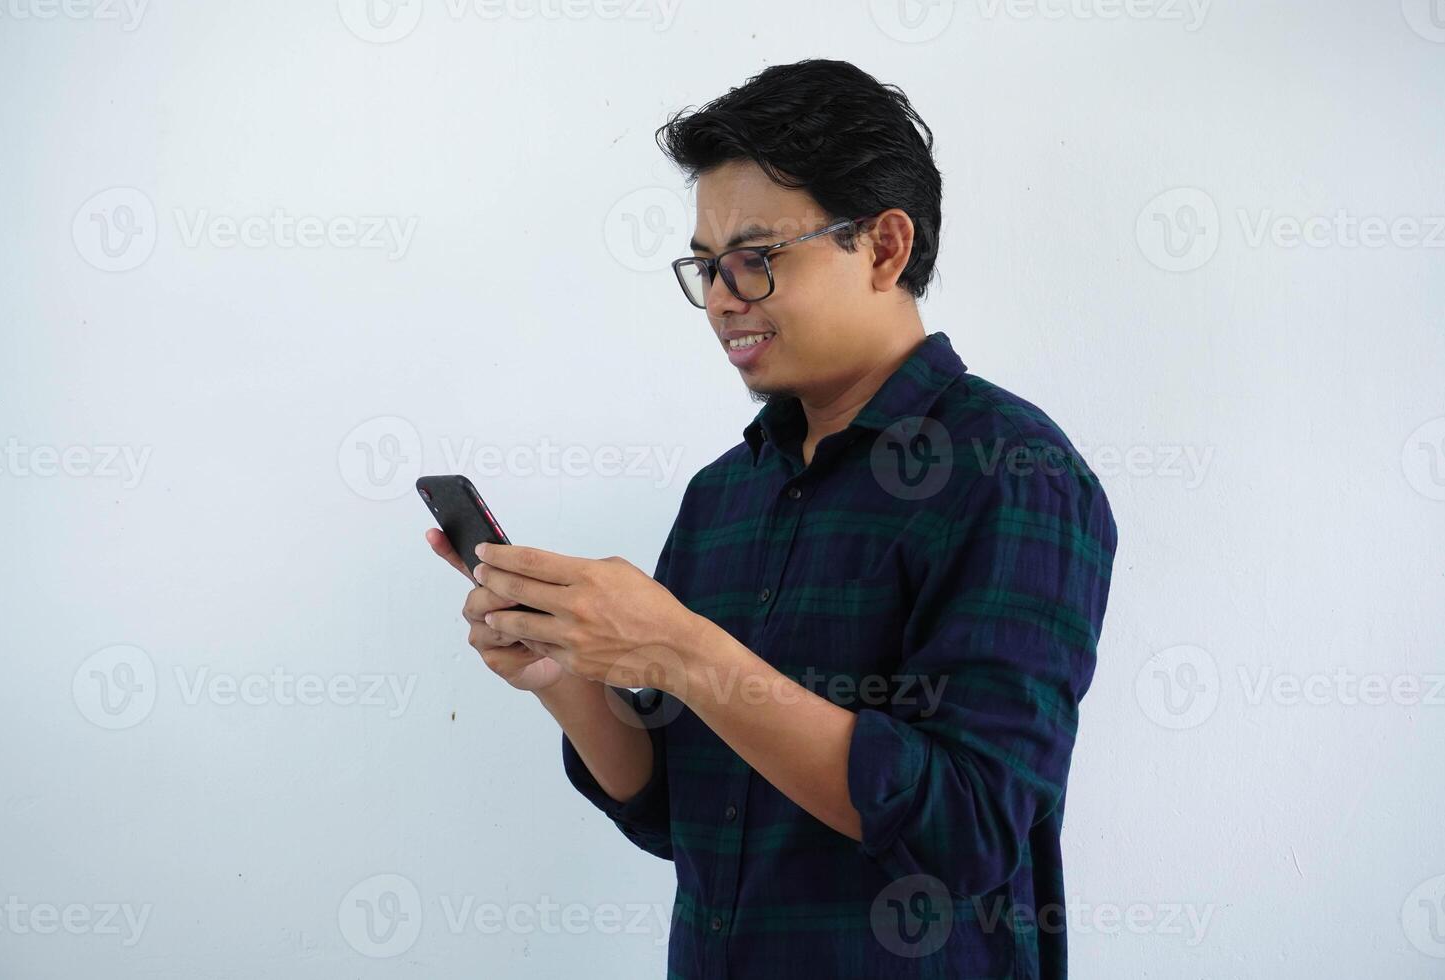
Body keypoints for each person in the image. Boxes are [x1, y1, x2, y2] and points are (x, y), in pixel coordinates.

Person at [427, 58, 1118, 979]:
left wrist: (683, 650)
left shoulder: (1013, 473)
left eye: (754, 262)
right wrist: (564, 675)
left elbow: (972, 830)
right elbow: (681, 814)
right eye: (706, 268)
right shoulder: (725, 494)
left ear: (883, 248)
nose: (719, 300)